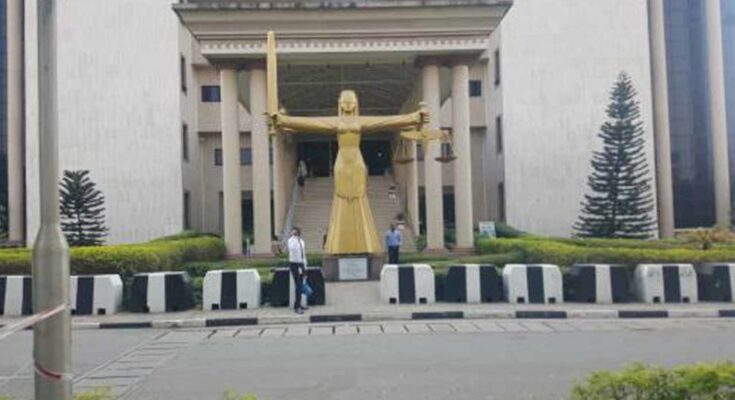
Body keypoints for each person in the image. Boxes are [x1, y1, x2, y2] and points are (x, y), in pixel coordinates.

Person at [287, 227, 308, 314]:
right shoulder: (291, 241)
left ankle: (299, 304)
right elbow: (292, 248)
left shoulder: (302, 241)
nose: (295, 233)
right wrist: (294, 238)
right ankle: (297, 306)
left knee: (301, 284)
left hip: (301, 264)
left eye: (296, 232)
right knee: (298, 285)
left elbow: (303, 254)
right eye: (293, 232)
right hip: (294, 264)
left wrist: (305, 266)